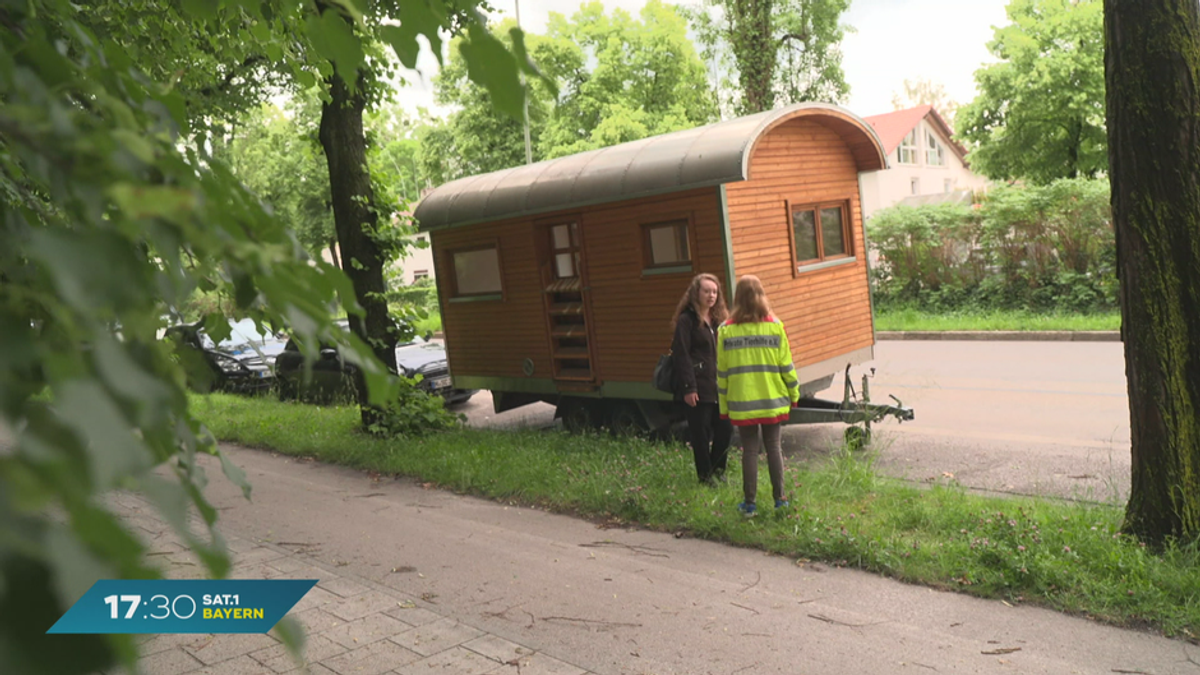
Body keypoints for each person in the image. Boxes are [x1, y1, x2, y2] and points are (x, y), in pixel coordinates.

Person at [716, 275, 800, 517]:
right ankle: (780, 500)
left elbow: (722, 374)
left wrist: (723, 406)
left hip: (742, 404)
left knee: (749, 450)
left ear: (737, 298)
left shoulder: (725, 331)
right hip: (773, 400)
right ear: (762, 294)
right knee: (774, 447)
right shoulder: (775, 326)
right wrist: (794, 394)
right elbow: (787, 366)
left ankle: (749, 504)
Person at [670, 273, 733, 485]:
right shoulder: (687, 320)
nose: (711, 295)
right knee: (701, 434)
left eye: (714, 291)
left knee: (725, 429)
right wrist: (689, 387)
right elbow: (681, 355)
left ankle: (718, 470)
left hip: (719, 386)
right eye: (706, 291)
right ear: (696, 293)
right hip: (698, 386)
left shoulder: (719, 321)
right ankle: (705, 476)